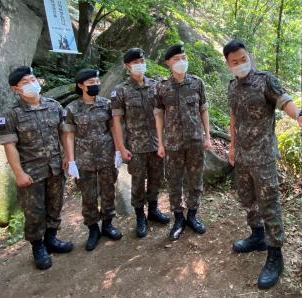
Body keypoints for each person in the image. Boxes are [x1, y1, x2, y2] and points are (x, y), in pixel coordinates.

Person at [223, 40, 302, 290]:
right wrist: (232, 146)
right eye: (234, 61)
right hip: (243, 157)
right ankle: (257, 236)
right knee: (247, 200)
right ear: (228, 64)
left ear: (249, 56)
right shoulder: (232, 86)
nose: (240, 64)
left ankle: (275, 255)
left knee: (270, 204)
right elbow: (233, 118)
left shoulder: (265, 80)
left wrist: (298, 115)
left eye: (243, 58)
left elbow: (283, 101)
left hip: (263, 156)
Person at [0, 66, 73, 270]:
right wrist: (19, 173)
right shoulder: (12, 115)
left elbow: (64, 133)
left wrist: (68, 156)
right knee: (34, 211)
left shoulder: (54, 106)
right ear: (15, 89)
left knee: (55, 205)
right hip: (31, 173)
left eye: (33, 79)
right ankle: (37, 247)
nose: (32, 84)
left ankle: (51, 239)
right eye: (25, 82)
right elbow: (9, 146)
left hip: (55, 168)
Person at [154, 44, 212, 241]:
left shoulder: (197, 83)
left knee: (195, 179)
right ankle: (178, 217)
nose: (181, 62)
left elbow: (203, 109)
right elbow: (159, 116)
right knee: (174, 180)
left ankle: (192, 215)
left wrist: (208, 136)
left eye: (183, 57)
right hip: (173, 143)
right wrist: (160, 143)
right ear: (168, 63)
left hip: (195, 141)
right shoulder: (161, 86)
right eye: (176, 59)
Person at [111, 48, 170, 239]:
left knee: (156, 179)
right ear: (128, 66)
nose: (140, 64)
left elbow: (163, 115)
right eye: (135, 62)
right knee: (137, 183)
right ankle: (140, 217)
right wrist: (121, 147)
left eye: (142, 60)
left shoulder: (155, 86)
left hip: (156, 144)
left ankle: (153, 210)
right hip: (135, 147)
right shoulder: (121, 90)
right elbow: (116, 122)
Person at [61, 69, 122, 251]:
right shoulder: (71, 109)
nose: (95, 84)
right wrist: (70, 160)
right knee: (88, 195)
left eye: (96, 81)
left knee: (108, 191)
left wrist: (119, 150)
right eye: (90, 83)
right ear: (81, 86)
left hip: (106, 156)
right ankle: (93, 229)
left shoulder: (106, 104)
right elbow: (69, 136)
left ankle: (108, 224)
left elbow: (113, 128)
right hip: (84, 159)